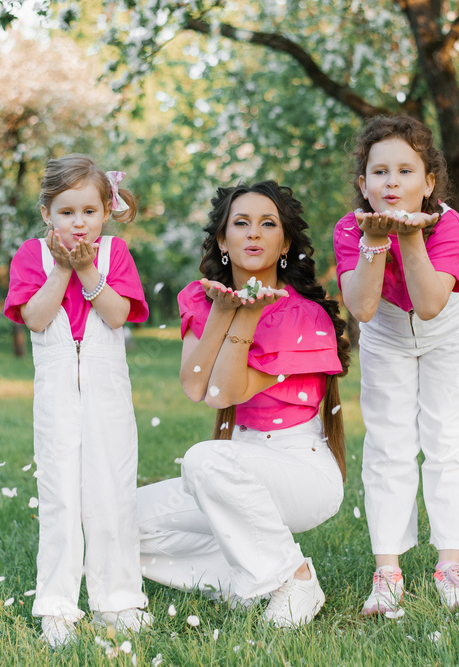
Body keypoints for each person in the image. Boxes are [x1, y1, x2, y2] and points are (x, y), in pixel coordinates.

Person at [137, 181, 349, 628]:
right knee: (115, 523)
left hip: (300, 468)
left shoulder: (304, 316)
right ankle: (248, 579)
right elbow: (195, 385)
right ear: (222, 240)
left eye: (268, 224)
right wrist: (222, 311)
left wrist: (246, 317)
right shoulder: (203, 300)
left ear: (285, 244)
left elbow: (222, 394)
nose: (253, 233)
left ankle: (295, 576)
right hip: (235, 464)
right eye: (241, 223)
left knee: (204, 460)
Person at [333, 115, 459, 616]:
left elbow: (431, 304)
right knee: (388, 442)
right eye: (379, 172)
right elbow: (363, 307)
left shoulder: (449, 224)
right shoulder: (349, 229)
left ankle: (450, 565)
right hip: (386, 329)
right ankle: (388, 572)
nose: (392, 182)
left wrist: (411, 234)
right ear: (364, 185)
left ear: (429, 183)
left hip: (448, 325)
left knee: (447, 436)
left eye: (405, 171)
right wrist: (376, 241)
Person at [4, 154, 152, 647]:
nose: (79, 222)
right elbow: (35, 318)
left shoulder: (114, 254)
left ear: (106, 211)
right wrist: (63, 270)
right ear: (46, 213)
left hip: (107, 389)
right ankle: (57, 604)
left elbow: (117, 315)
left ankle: (118, 598)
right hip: (56, 390)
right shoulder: (32, 255)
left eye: (89, 211)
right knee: (61, 492)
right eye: (66, 212)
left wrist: (87, 270)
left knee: (112, 489)